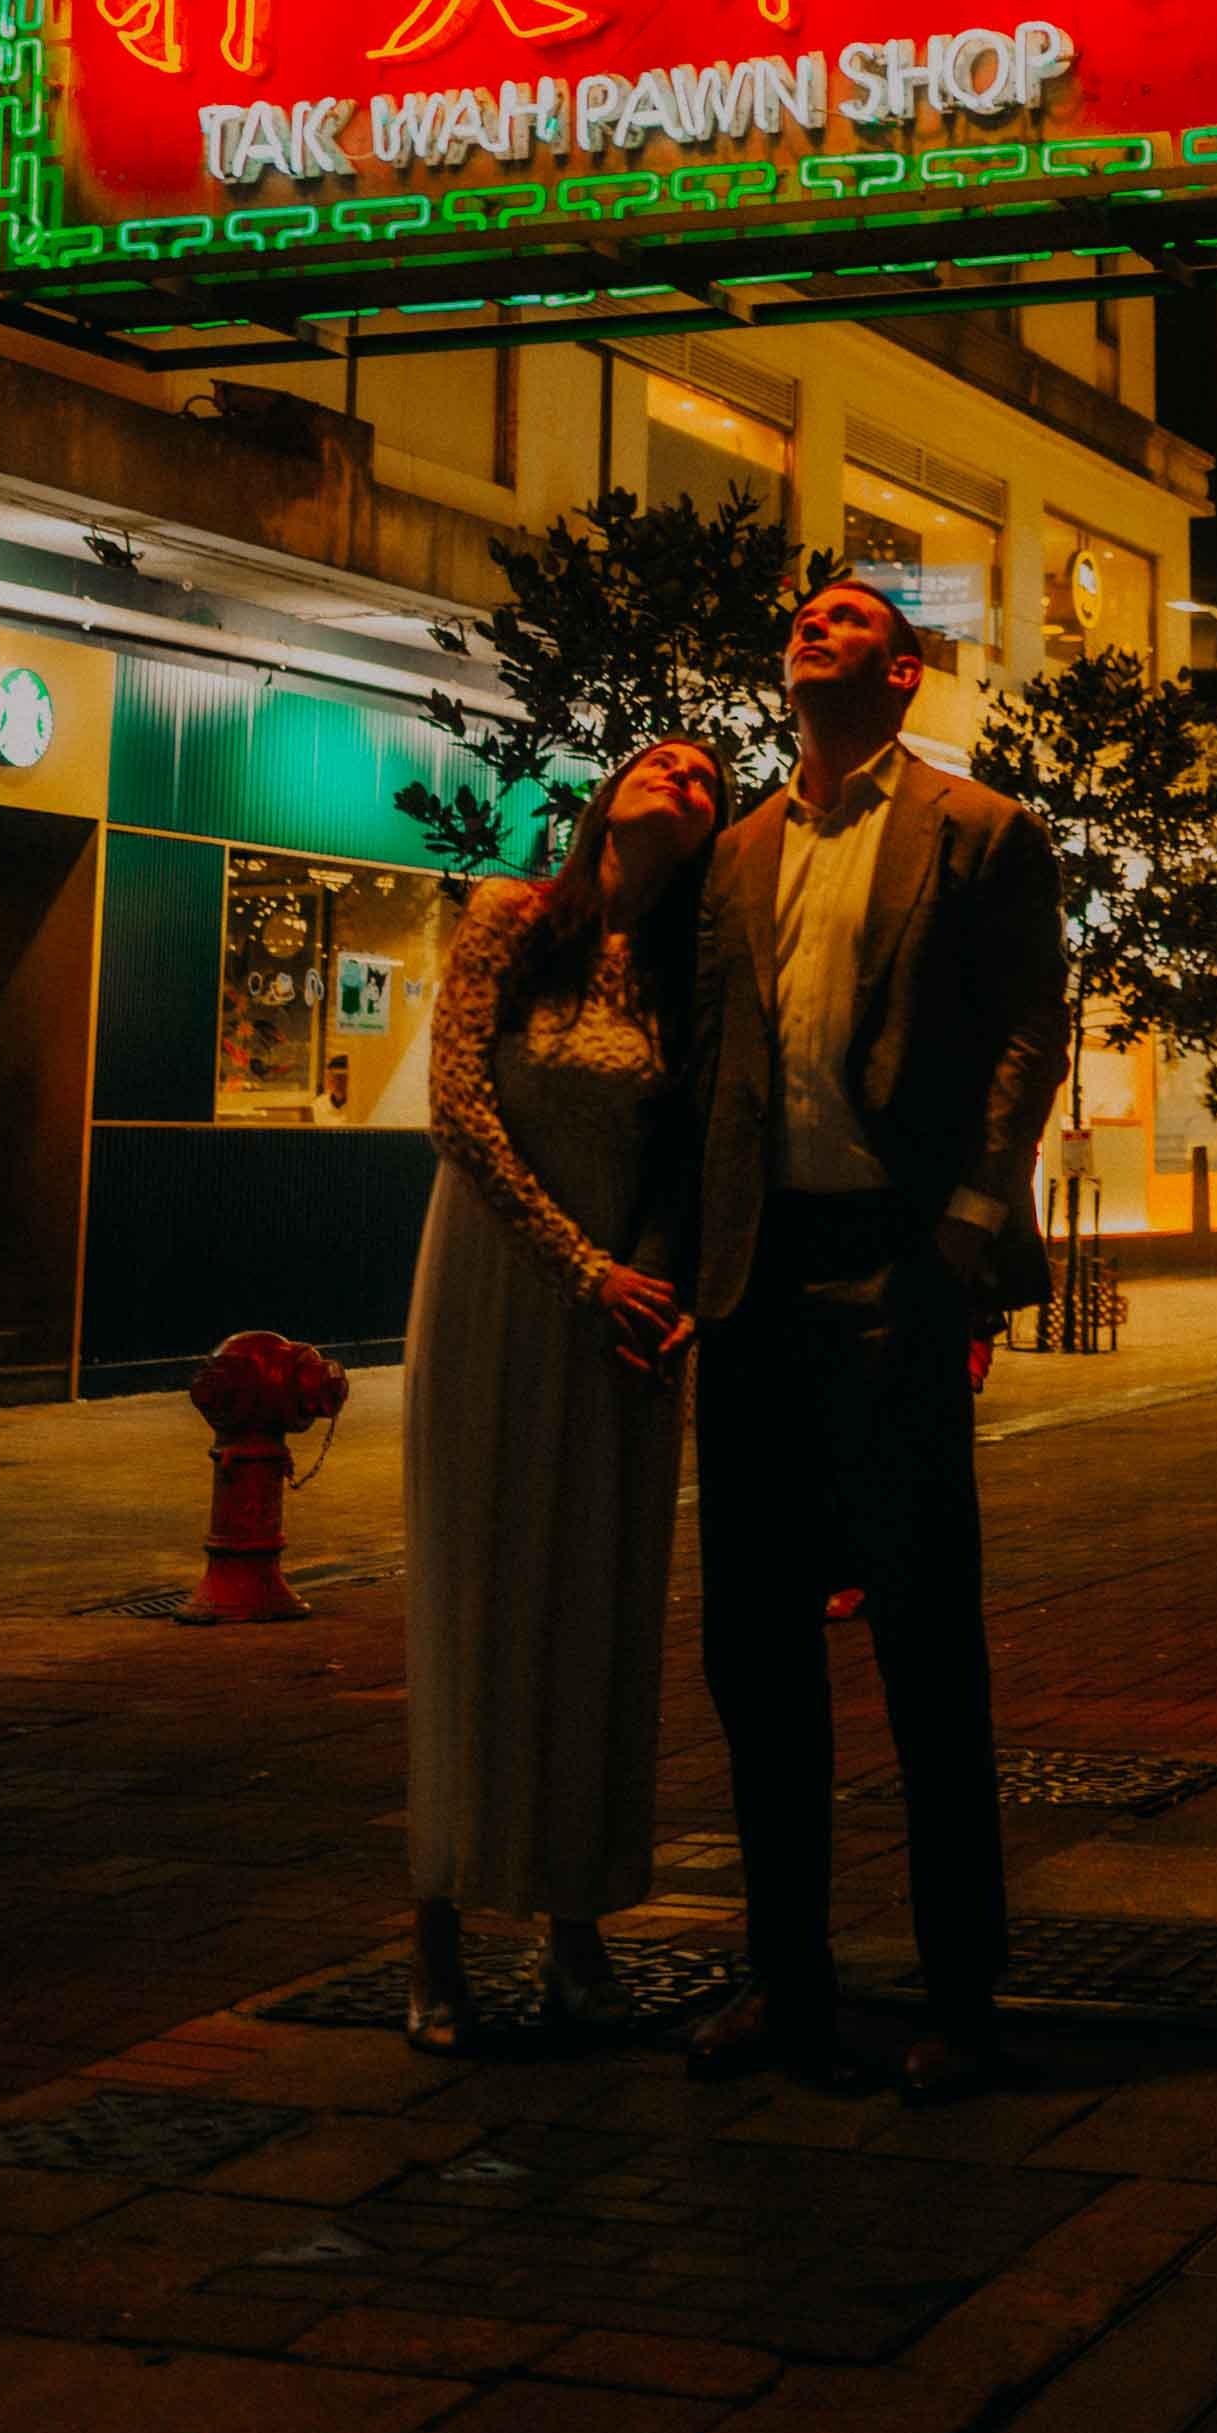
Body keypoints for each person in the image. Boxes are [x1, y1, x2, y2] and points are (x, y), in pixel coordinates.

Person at [685, 576, 1070, 2106]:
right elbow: (716, 1062)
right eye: (800, 614)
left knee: (925, 1645)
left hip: (896, 1264)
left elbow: (1033, 1024)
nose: (809, 623)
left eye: (847, 617)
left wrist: (972, 1226)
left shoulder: (979, 831)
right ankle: (790, 1987)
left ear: (906, 673)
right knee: (753, 1657)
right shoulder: (736, 855)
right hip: (757, 1280)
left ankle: (959, 1998)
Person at [401, 732, 727, 2051]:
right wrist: (581, 1267)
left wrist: (642, 1278)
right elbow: (454, 1104)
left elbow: (688, 1150)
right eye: (662, 762)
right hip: (496, 1284)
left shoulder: (683, 976)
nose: (683, 780)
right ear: (606, 797)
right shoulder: (510, 916)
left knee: (594, 1612)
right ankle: (436, 1938)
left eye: (709, 780)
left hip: (623, 1329)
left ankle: (576, 1928)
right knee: (478, 1601)